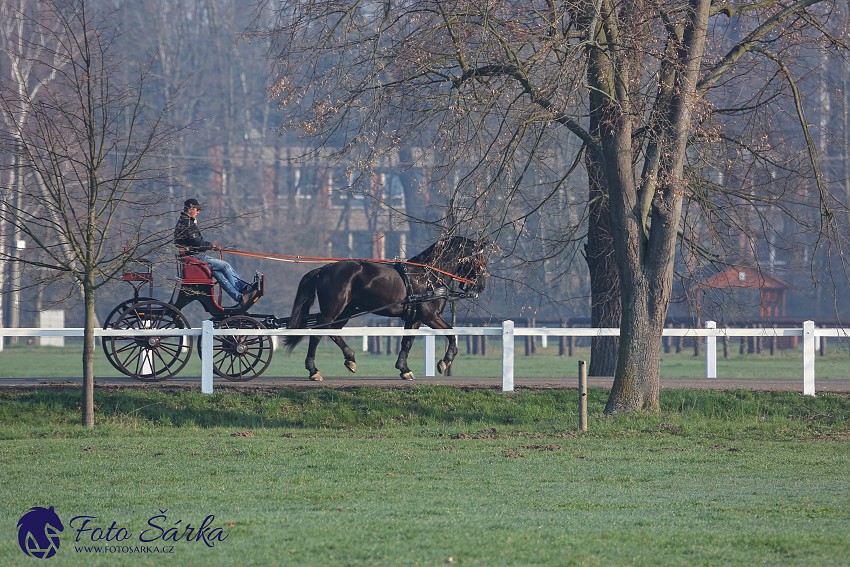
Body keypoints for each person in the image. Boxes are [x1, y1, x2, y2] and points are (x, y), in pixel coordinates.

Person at [174, 198, 257, 306]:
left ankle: (240, 297)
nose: (198, 212)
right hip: (196, 258)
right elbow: (198, 243)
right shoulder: (187, 224)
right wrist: (212, 245)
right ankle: (243, 288)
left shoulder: (184, 222)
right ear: (190, 209)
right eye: (197, 209)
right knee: (225, 266)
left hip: (192, 257)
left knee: (219, 275)